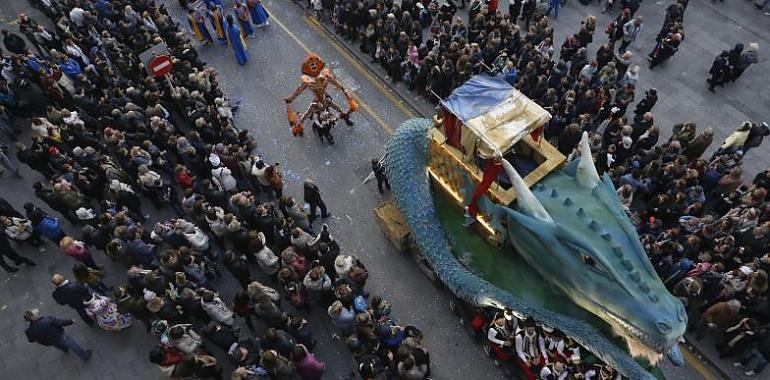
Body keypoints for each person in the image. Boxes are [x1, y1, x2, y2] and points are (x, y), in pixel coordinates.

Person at [24, 309, 92, 362]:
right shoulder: (47, 319)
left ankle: (64, 349)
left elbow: (31, 340)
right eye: (34, 313)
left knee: (57, 345)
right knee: (72, 344)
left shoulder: (28, 331)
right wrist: (71, 321)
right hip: (59, 335)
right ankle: (85, 356)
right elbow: (61, 322)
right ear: (32, 317)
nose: (36, 313)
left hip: (49, 341)